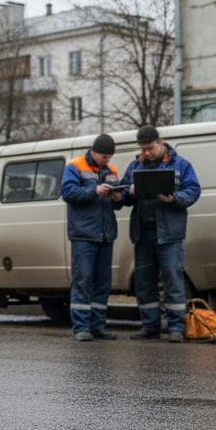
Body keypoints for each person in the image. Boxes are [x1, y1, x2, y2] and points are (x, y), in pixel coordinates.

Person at [121, 125, 201, 342]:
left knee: (173, 280)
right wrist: (128, 192)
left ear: (161, 142)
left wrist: (174, 199)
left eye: (149, 148)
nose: (146, 153)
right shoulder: (135, 165)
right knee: (144, 282)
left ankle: (176, 328)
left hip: (169, 233)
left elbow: (193, 191)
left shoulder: (181, 165)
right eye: (143, 149)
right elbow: (121, 194)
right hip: (143, 233)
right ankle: (150, 326)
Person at [61, 133, 123, 342]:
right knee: (83, 280)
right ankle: (81, 327)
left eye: (110, 156)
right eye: (104, 156)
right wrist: (94, 190)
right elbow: (68, 193)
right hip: (84, 235)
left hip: (106, 234)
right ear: (94, 152)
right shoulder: (74, 166)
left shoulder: (112, 170)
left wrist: (117, 197)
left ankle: (98, 326)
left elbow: (118, 202)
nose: (108, 160)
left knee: (103, 283)